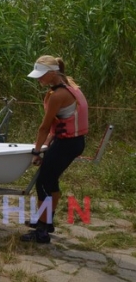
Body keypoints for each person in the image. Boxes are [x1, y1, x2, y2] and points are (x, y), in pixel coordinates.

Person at [21, 55, 89, 244]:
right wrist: (49, 144)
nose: (38, 79)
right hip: (72, 142)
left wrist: (36, 151)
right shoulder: (71, 87)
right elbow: (59, 125)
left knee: (42, 183)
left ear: (52, 73)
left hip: (67, 144)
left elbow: (44, 127)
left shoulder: (58, 95)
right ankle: (46, 222)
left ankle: (42, 231)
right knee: (50, 181)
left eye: (42, 75)